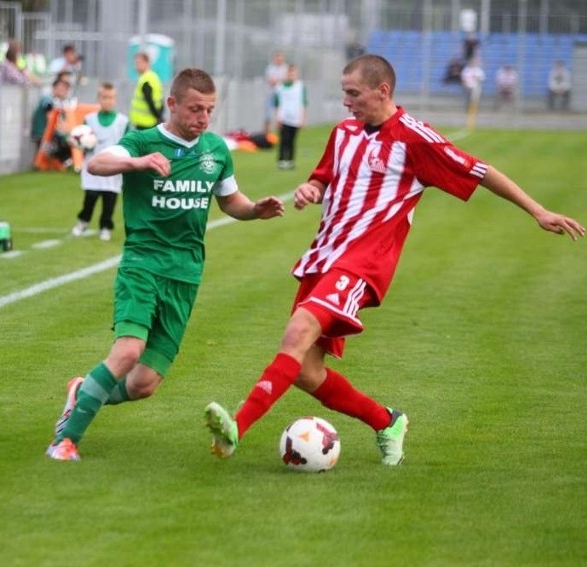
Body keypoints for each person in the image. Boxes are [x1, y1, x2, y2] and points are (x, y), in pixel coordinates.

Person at [203, 54, 584, 467]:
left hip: (363, 264)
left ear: (382, 91)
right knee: (305, 371)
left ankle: (235, 428)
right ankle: (387, 422)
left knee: (297, 331)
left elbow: (481, 171)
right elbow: (323, 176)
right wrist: (311, 189)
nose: (346, 102)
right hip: (322, 258)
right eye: (343, 93)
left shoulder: (414, 138)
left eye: (353, 93)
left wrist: (538, 211)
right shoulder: (343, 133)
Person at [46, 68, 286, 461]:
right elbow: (97, 164)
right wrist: (138, 164)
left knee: (143, 385)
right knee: (127, 352)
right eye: (195, 109)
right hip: (142, 264)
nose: (203, 118)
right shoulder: (143, 141)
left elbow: (230, 201)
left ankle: (82, 391)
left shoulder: (215, 151)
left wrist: (254, 210)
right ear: (172, 104)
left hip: (186, 274)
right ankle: (65, 441)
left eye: (210, 110)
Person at [70, 82, 130, 242]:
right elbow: (81, 141)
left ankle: (105, 227)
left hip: (113, 168)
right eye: (104, 97)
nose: (108, 101)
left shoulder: (123, 121)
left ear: (115, 99)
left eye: (111, 98)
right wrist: (77, 142)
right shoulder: (89, 120)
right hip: (93, 167)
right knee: (90, 196)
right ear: (99, 99)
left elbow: (128, 143)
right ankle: (83, 221)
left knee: (109, 199)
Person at [30, 78, 73, 163]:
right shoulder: (47, 99)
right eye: (60, 89)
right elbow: (48, 108)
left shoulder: (63, 102)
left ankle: (64, 161)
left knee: (70, 140)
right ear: (54, 88)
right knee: (67, 142)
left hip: (52, 135)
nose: (63, 91)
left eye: (65, 89)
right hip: (43, 135)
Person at [273, 63, 307, 170]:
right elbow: (277, 103)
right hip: (284, 117)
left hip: (295, 117)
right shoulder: (280, 87)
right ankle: (282, 160)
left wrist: (303, 118)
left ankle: (291, 160)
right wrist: (277, 117)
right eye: (289, 73)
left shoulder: (300, 86)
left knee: (292, 140)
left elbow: (303, 103)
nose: (291, 75)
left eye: (293, 73)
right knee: (284, 139)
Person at [129, 51, 163, 130]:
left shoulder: (145, 79)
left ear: (146, 63)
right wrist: (159, 116)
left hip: (145, 123)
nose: (136, 66)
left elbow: (149, 100)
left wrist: (158, 116)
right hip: (152, 121)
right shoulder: (154, 76)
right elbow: (161, 100)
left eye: (138, 63)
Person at [263, 50, 288, 135]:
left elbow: (286, 80)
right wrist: (280, 80)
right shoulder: (270, 68)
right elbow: (271, 81)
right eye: (277, 58)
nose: (279, 60)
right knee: (268, 115)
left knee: (282, 116)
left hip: (283, 95)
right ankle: (266, 135)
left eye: (280, 58)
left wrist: (278, 80)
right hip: (272, 94)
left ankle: (282, 134)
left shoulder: (286, 68)